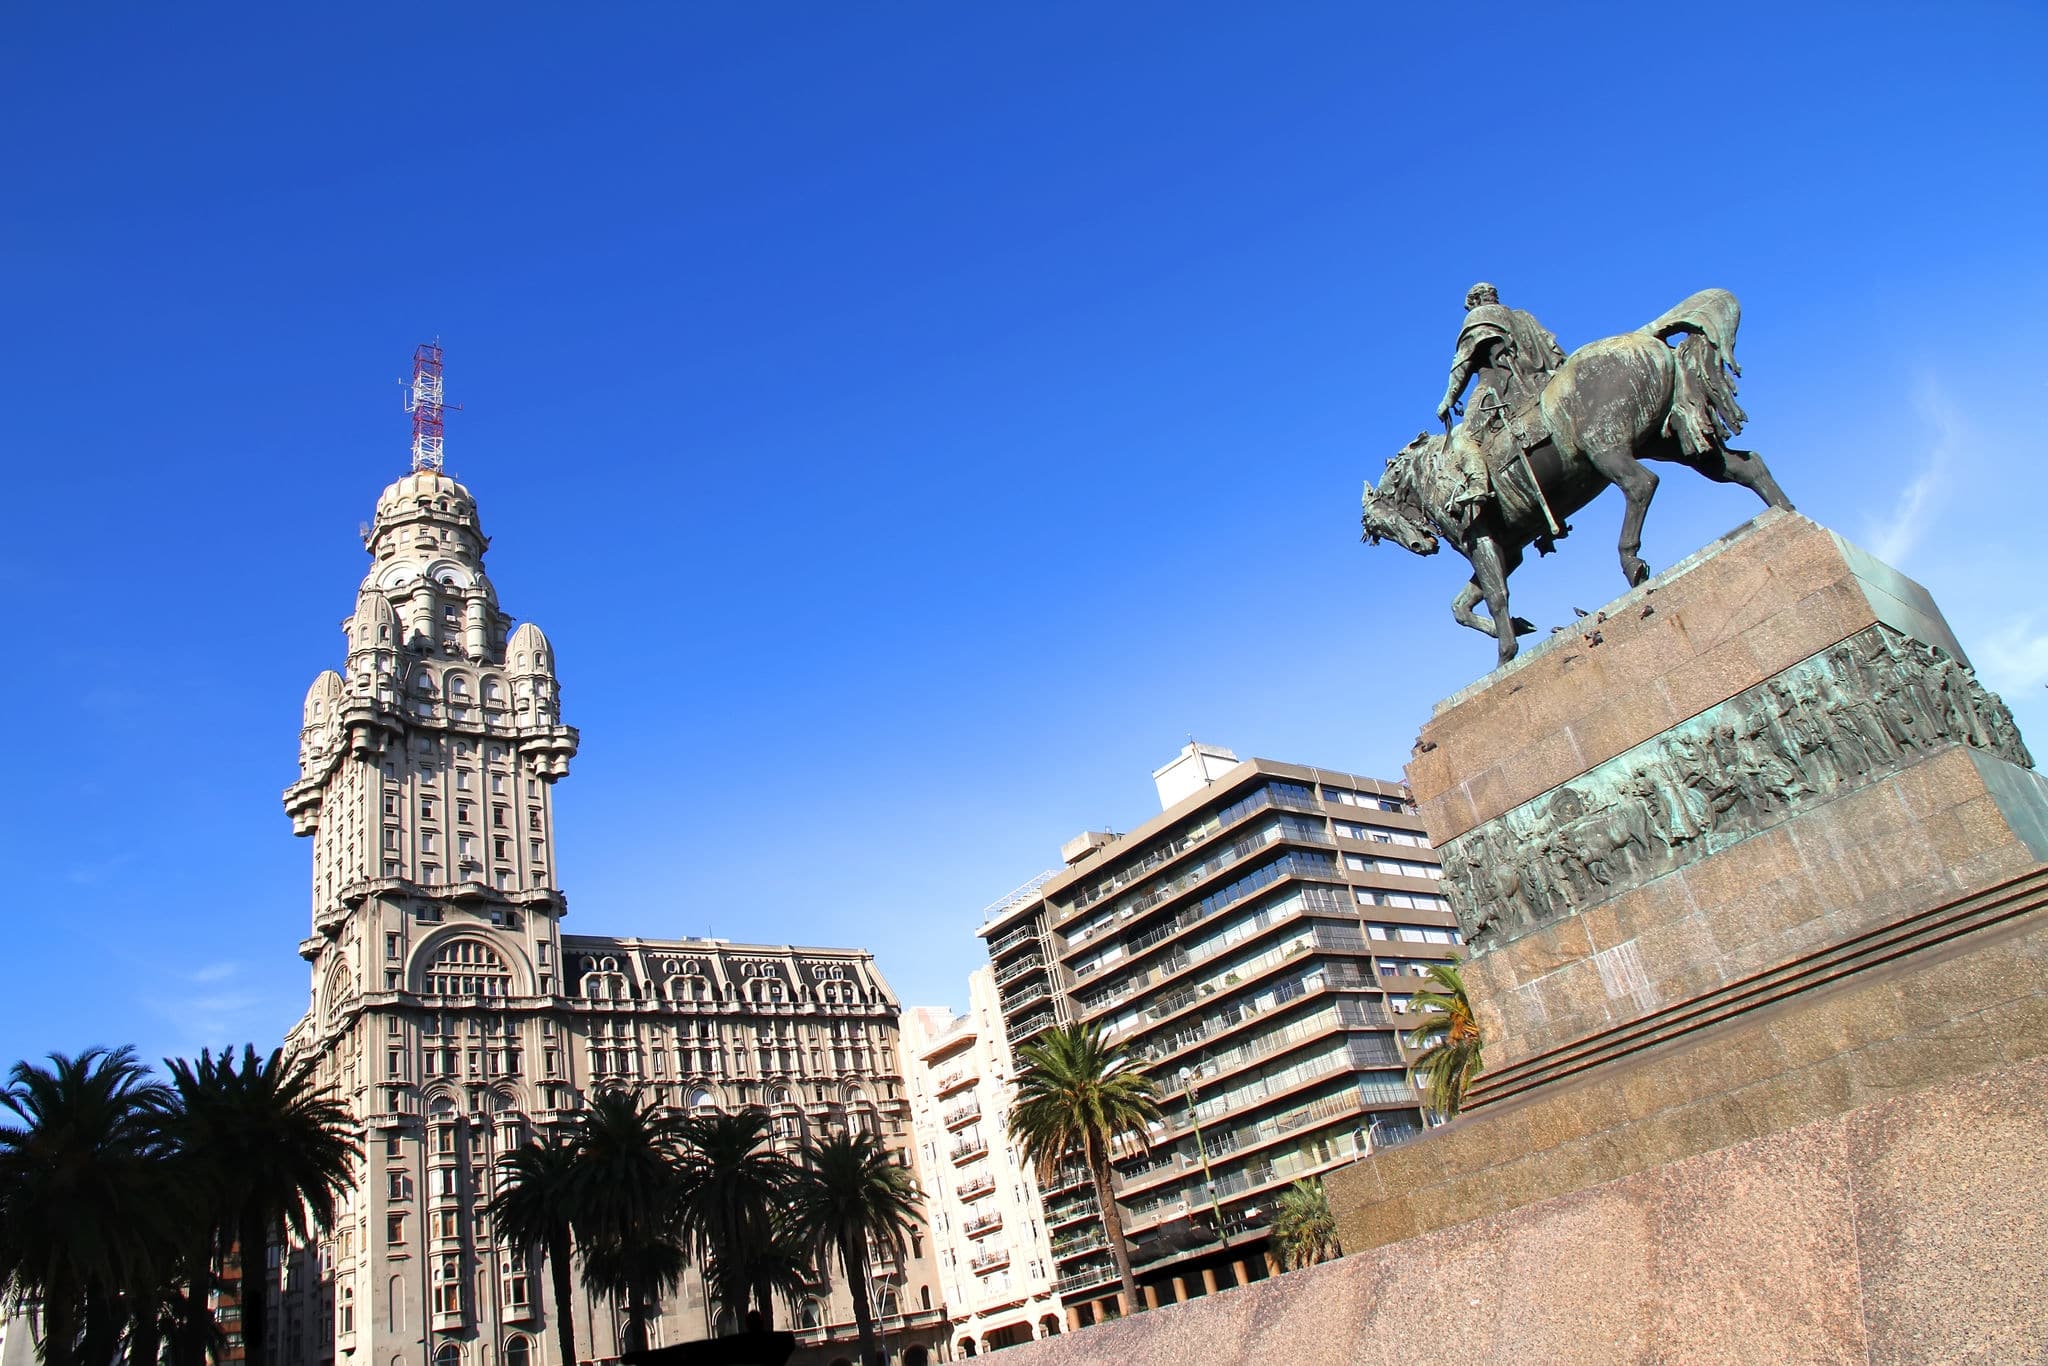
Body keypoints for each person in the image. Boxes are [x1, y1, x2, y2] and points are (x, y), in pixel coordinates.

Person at [1434, 283, 1568, 525]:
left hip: (1499, 385)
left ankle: (1477, 485)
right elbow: (1554, 349)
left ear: (1474, 302)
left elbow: (1462, 363)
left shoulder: (1478, 317)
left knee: (1464, 438)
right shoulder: (1522, 316)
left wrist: (1448, 400)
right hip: (1540, 380)